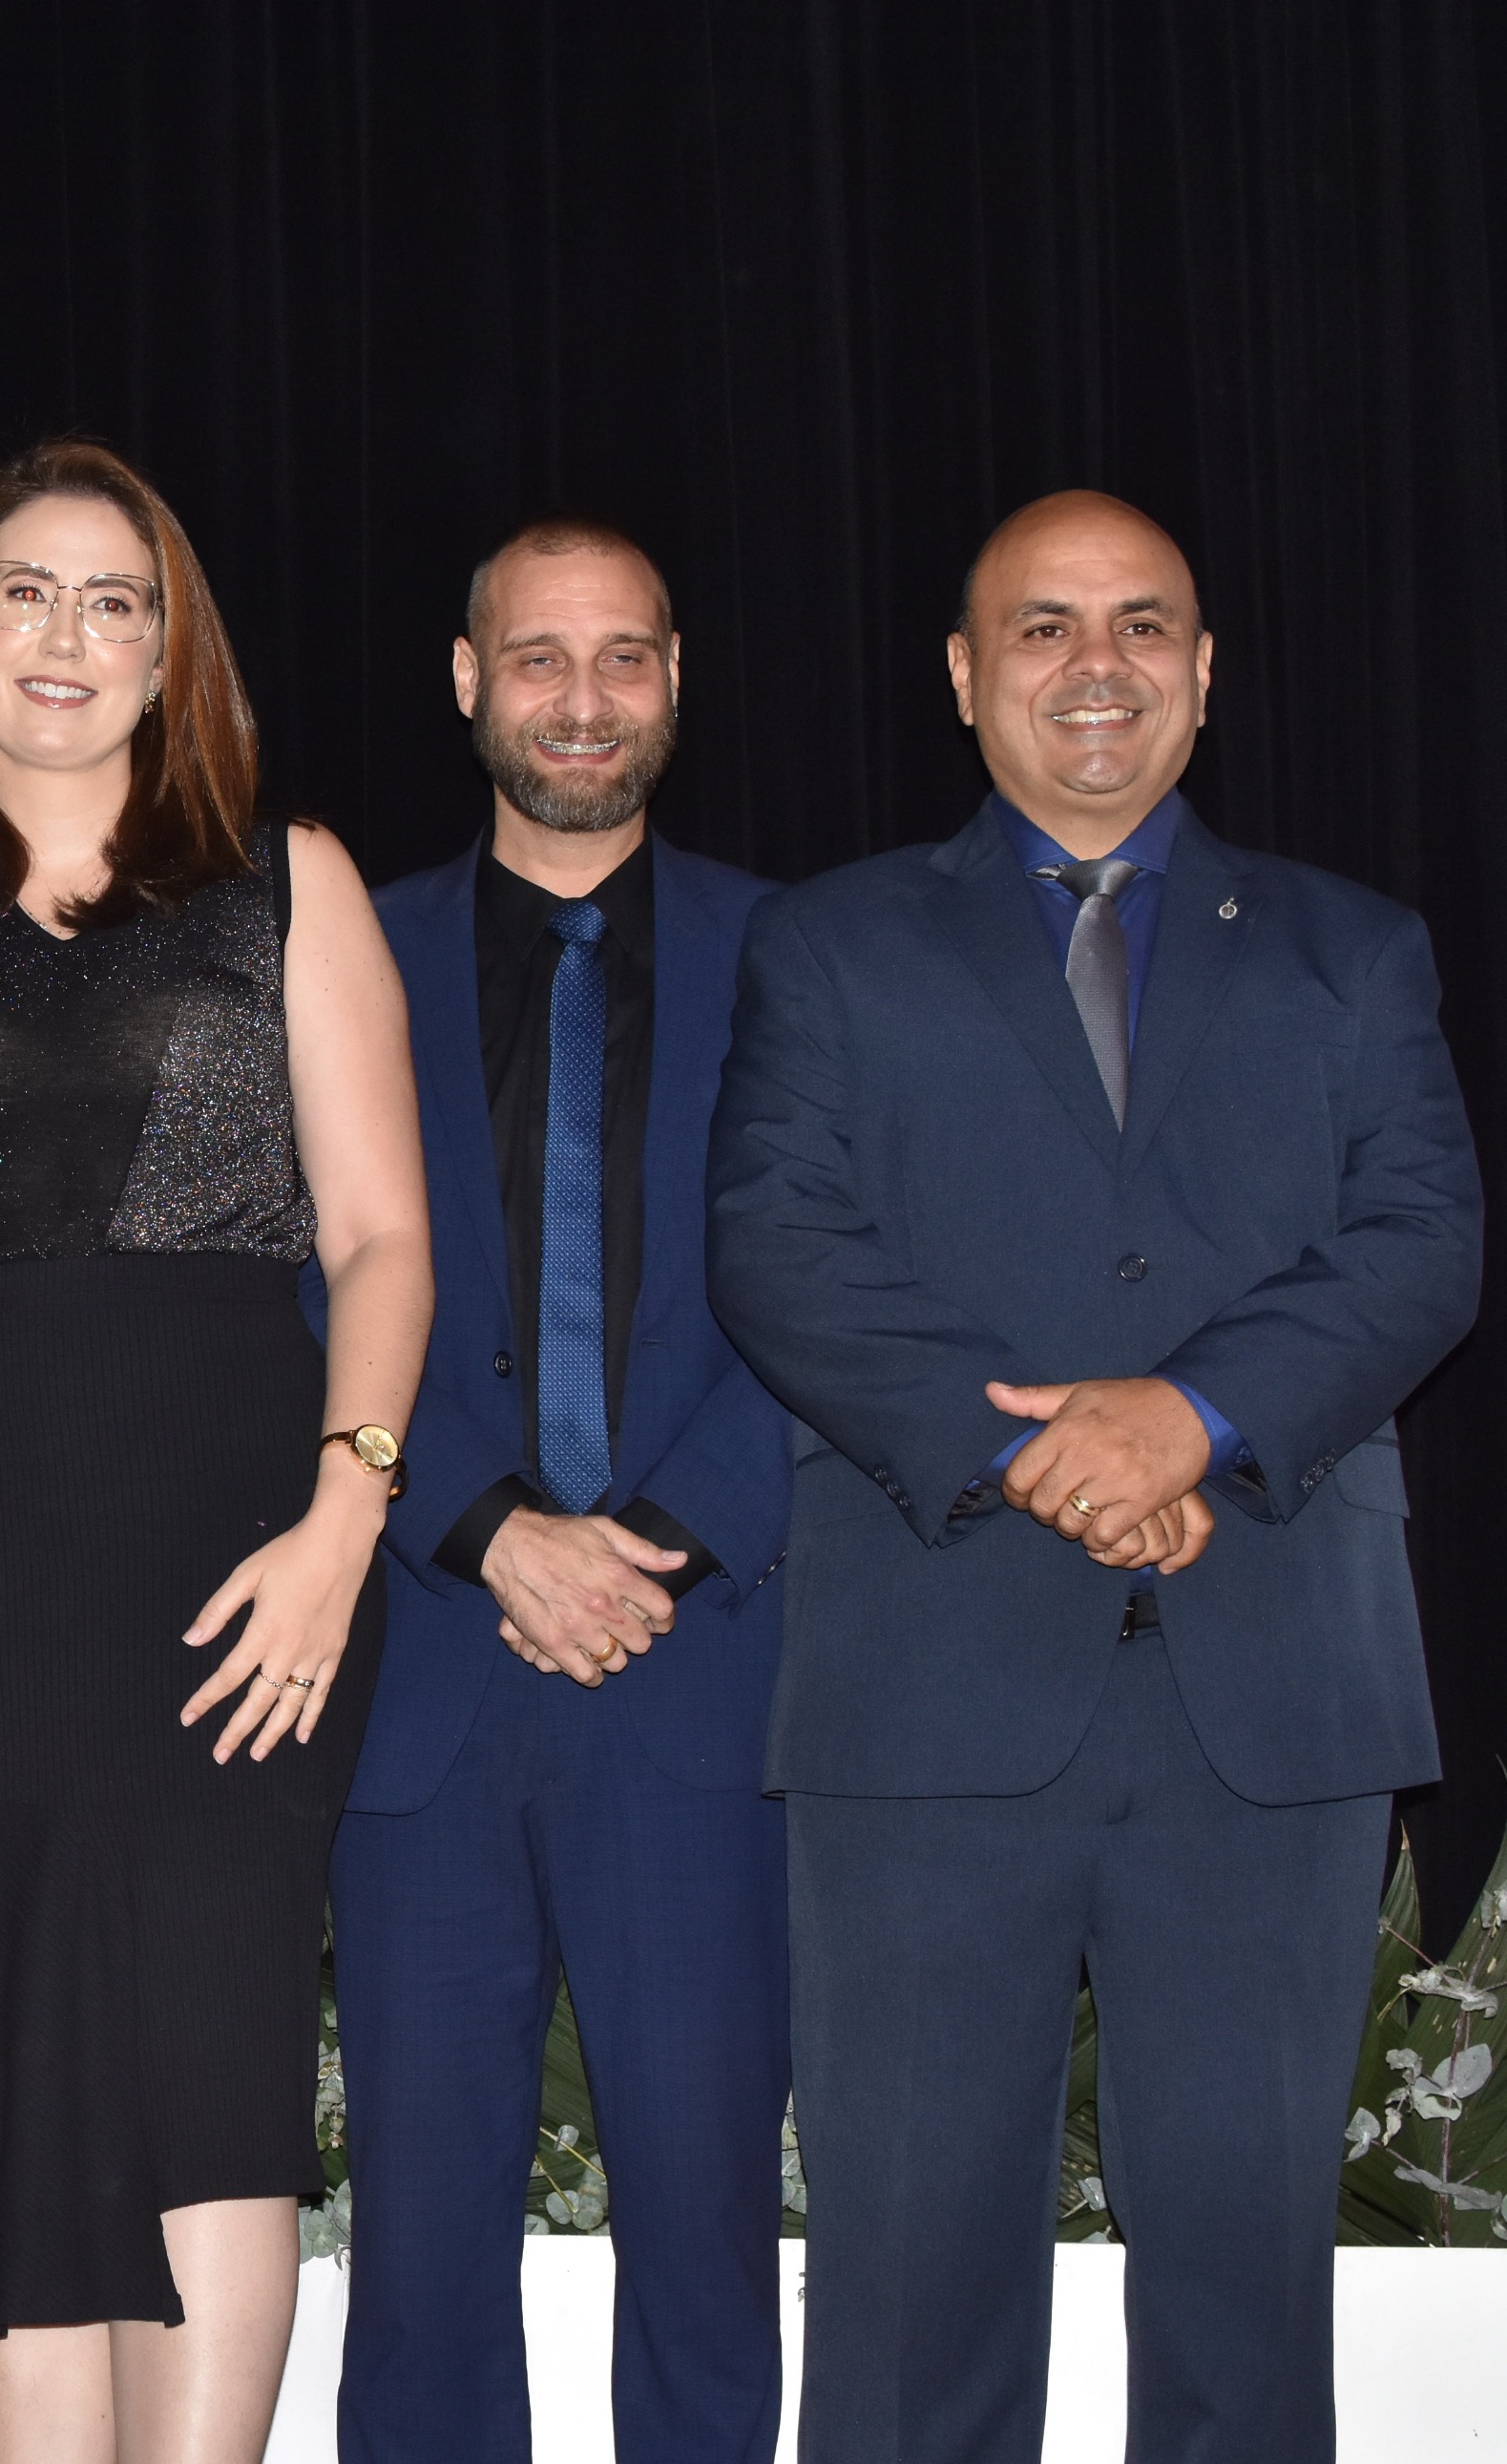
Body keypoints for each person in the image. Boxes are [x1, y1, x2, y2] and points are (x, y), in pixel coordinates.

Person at [709, 490, 1481, 2461]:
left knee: (1243, 2290)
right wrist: (1041, 1452)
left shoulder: (1353, 949)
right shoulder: (830, 942)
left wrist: (1192, 1417)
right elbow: (778, 1247)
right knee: (904, 2294)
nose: (1096, 663)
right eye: (1042, 625)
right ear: (964, 675)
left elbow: (1421, 1239)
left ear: (1203, 674)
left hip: (1268, 1691)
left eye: (1142, 623)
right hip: (926, 1691)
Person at [0, 440, 435, 2464]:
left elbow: (383, 1238)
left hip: (245, 1542)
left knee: (206, 2053)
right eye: (25, 591)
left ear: (172, 655)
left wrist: (346, 1518)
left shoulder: (288, 881)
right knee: (12, 2058)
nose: (65, 634)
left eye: (114, 600)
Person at [325, 521, 792, 2462]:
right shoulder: (346, 954)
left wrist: (651, 1543)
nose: (581, 700)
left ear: (675, 676)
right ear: (468, 680)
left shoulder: (808, 955)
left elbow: (850, 1281)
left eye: (622, 658)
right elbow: (299, 1269)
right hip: (431, 1667)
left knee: (708, 2238)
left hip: (703, 1676)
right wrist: (491, 1528)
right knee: (419, 2260)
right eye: (539, 658)